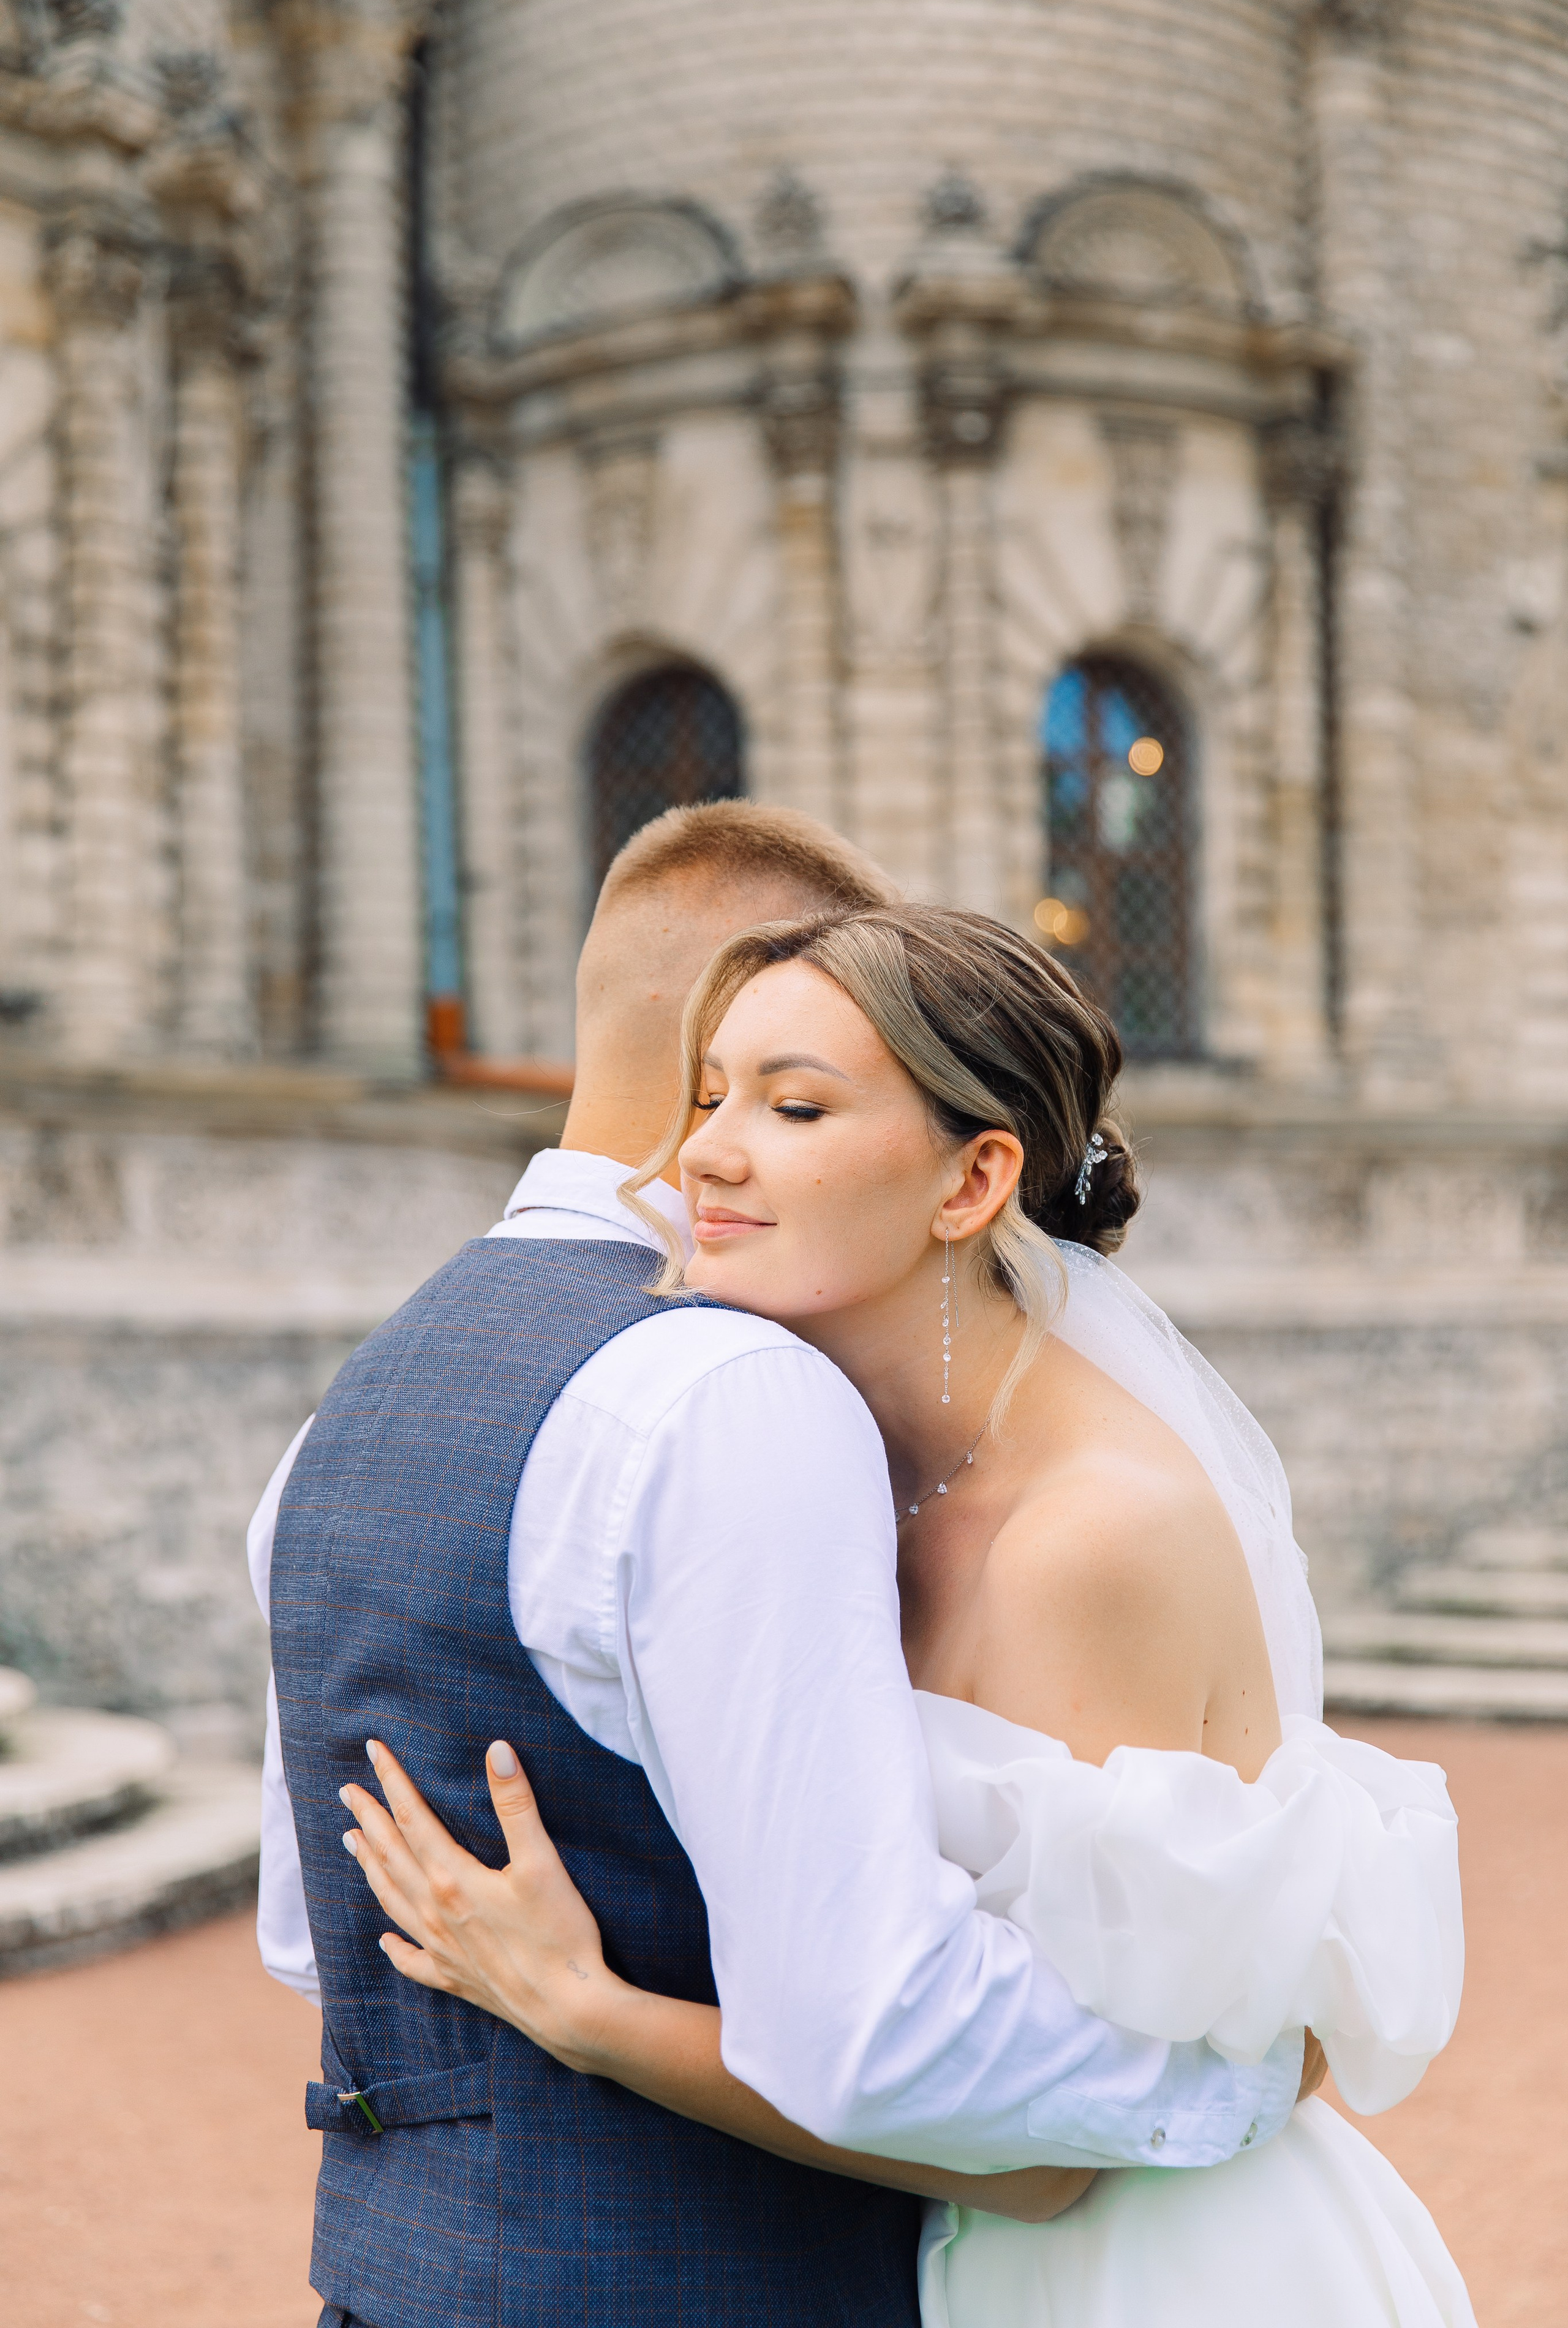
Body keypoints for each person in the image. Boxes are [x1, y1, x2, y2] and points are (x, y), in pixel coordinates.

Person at [250, 811, 1317, 2328]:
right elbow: (879, 2032)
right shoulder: (730, 1396)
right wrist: (1251, 2076)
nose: (720, 1144)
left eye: (794, 1097)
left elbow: (316, 1937)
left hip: (391, 2279)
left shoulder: (351, 1407)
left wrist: (577, 2009)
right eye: (723, 1086)